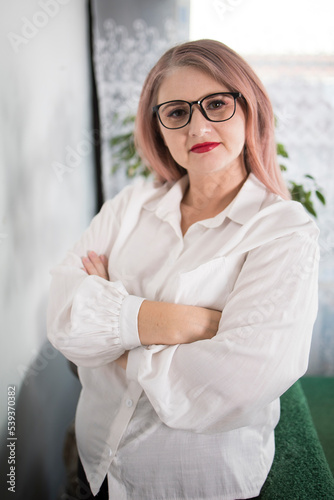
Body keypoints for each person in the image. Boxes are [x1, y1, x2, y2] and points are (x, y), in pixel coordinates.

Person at [47, 39, 319, 500]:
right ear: (159, 127)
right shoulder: (130, 205)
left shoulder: (284, 230)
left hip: (197, 484)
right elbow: (64, 316)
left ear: (250, 108)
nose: (197, 125)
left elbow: (237, 383)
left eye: (216, 104)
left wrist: (112, 337)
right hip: (95, 468)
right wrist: (189, 323)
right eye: (176, 112)